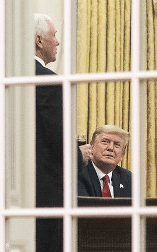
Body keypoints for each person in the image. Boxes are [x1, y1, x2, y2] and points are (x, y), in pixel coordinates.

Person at [34, 13, 91, 252]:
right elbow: (57, 140)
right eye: (54, 36)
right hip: (48, 196)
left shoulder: (11, 76)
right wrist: (80, 156)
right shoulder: (48, 80)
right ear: (39, 41)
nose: (57, 42)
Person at [77, 125, 132, 197]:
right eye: (105, 142)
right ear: (91, 147)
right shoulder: (78, 174)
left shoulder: (129, 179)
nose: (111, 148)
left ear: (122, 154)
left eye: (117, 145)